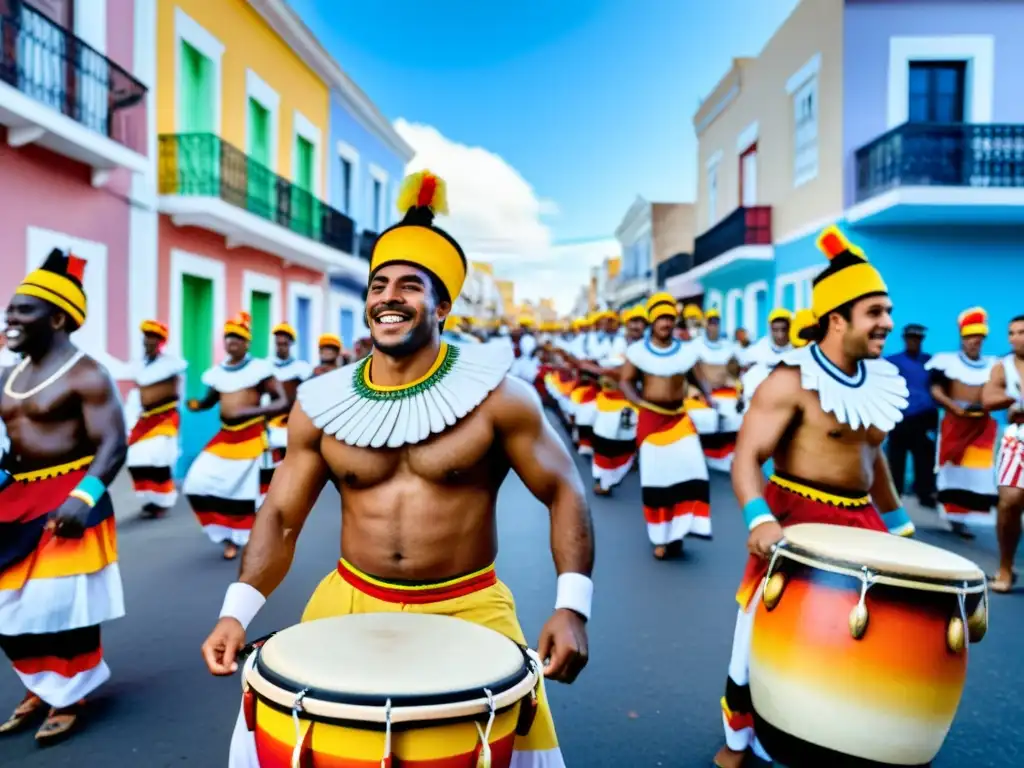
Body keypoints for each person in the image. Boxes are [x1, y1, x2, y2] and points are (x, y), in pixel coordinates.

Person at [201, 171, 593, 768]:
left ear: (441, 306)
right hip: (350, 599)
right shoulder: (319, 403)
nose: (389, 297)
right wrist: (237, 611)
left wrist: (572, 606)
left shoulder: (502, 399)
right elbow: (280, 516)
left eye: (410, 286)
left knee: (508, 748)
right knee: (288, 740)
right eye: (379, 285)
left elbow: (564, 491)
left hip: (471, 604)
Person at [713, 226, 914, 768]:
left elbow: (875, 463)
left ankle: (849, 740)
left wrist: (900, 529)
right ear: (836, 318)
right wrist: (758, 519)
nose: (887, 323)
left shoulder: (881, 380)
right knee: (763, 629)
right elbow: (747, 457)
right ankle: (739, 740)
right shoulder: (786, 381)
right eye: (874, 312)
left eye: (888, 311)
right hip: (794, 515)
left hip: (864, 521)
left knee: (871, 635)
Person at [0, 249, 127, 742]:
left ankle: (68, 693)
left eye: (22, 311)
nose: (10, 319)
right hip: (17, 499)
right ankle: (39, 684)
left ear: (56, 318)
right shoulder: (6, 375)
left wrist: (85, 496)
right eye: (9, 310)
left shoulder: (86, 373)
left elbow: (113, 442)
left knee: (58, 604)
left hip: (72, 493)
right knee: (8, 607)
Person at [182, 313, 288, 560]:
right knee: (196, 482)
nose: (233, 342)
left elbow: (282, 401)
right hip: (225, 438)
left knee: (244, 494)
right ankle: (226, 534)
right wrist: (196, 405)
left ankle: (239, 540)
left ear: (247, 343)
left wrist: (253, 411)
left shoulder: (260, 369)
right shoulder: (217, 373)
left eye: (238, 338)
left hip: (252, 439)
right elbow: (209, 401)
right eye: (229, 337)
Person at [619, 293, 715, 558]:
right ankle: (662, 538)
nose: (666, 323)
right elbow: (625, 381)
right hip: (651, 419)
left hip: (679, 418)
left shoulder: (686, 351)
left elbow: (700, 377)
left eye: (670, 318)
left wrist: (709, 397)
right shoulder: (638, 352)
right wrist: (638, 402)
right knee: (657, 480)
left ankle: (681, 530)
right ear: (653, 321)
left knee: (693, 471)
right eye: (662, 318)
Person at [926, 308, 998, 538]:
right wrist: (953, 407)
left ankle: (967, 518)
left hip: (982, 427)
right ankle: (953, 518)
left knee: (977, 473)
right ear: (962, 338)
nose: (974, 341)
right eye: (969, 337)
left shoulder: (993, 365)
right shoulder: (946, 362)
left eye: (978, 337)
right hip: (955, 424)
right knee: (953, 470)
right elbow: (935, 389)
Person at [125, 320, 187, 518]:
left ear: (160, 343)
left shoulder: (171, 365)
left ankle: (164, 499)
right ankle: (149, 498)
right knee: (135, 458)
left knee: (157, 456)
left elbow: (177, 390)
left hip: (166, 417)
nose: (149, 342)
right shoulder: (139, 364)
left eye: (153, 339)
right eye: (146, 338)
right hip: (145, 417)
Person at [982, 315, 1024, 593]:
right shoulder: (1003, 366)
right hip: (1017, 440)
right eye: (1011, 332)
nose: (1015, 337)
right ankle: (1006, 568)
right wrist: (1012, 400)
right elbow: (988, 400)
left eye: (1021, 332)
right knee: (1009, 502)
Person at [590, 306, 647, 496]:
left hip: (639, 400)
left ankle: (614, 475)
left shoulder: (649, 345)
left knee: (628, 442)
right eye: (633, 322)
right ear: (626, 324)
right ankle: (604, 479)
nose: (636, 326)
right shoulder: (618, 344)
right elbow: (614, 369)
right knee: (606, 441)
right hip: (613, 399)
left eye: (640, 322)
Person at [885, 323, 938, 510]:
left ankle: (925, 493)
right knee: (895, 459)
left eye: (918, 338)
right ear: (905, 339)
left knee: (925, 459)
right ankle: (893, 494)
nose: (914, 341)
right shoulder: (892, 362)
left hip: (924, 418)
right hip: (900, 418)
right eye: (911, 338)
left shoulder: (931, 362)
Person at [689, 308, 742, 472]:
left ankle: (727, 454)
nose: (714, 326)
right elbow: (695, 373)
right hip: (702, 392)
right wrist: (706, 393)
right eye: (711, 322)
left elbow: (734, 370)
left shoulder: (728, 346)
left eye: (716, 323)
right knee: (707, 418)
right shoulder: (696, 345)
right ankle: (708, 454)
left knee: (736, 415)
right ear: (706, 324)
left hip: (724, 390)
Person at [261, 323, 312, 491]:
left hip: (292, 422)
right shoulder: (265, 367)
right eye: (278, 343)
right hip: (270, 423)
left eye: (284, 343)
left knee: (290, 464)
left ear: (290, 344)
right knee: (268, 465)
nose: (281, 347)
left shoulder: (301, 369)